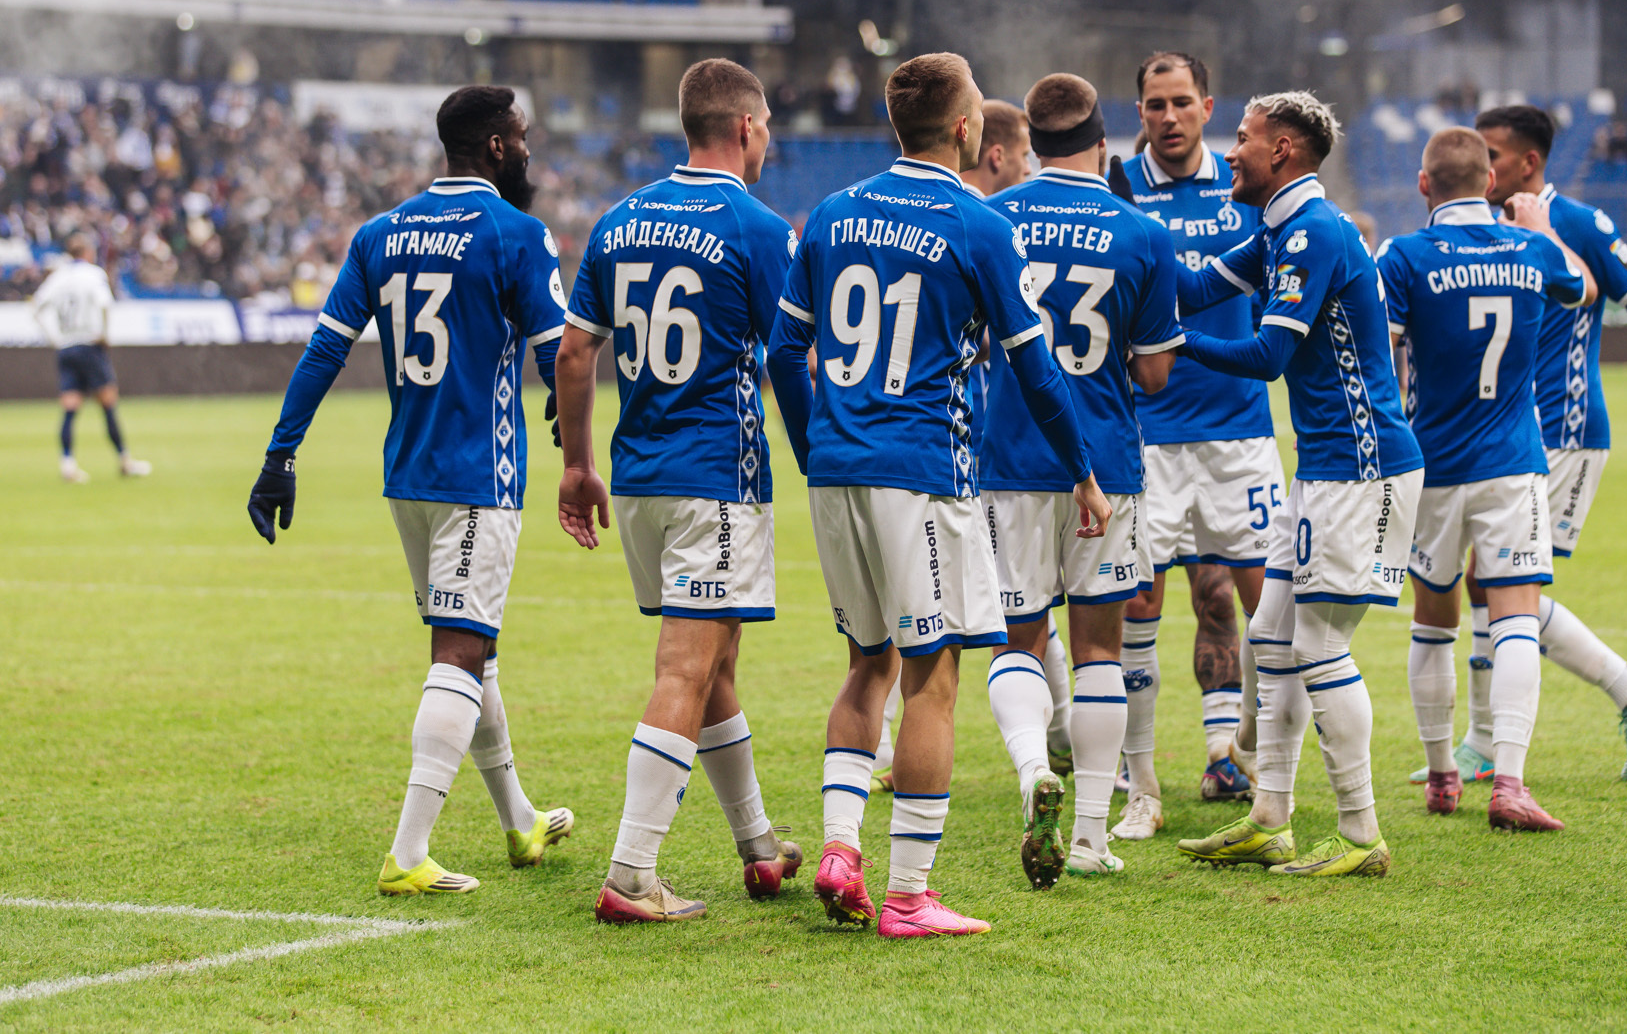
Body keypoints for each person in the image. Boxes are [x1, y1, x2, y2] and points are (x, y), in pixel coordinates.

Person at [767, 52, 1108, 937]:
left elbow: (780, 354)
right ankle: (910, 896)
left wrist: (817, 451)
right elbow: (1036, 368)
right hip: (923, 475)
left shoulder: (832, 213)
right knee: (934, 680)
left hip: (838, 471)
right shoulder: (978, 223)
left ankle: (842, 847)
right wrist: (1082, 469)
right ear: (968, 131)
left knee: (866, 664)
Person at [244, 86, 574, 896]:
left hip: (408, 478)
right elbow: (556, 352)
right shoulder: (515, 233)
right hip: (478, 478)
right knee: (459, 653)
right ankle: (408, 850)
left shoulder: (378, 234)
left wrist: (280, 455)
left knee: (474, 646)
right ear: (495, 147)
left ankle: (519, 819)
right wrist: (573, 423)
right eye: (521, 138)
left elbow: (324, 350)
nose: (529, 151)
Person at [555, 59, 804, 924]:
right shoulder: (759, 227)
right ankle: (631, 872)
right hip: (716, 482)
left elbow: (574, 353)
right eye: (766, 124)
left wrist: (577, 464)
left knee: (716, 663)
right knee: (685, 665)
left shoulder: (618, 221)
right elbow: (788, 355)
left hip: (639, 480)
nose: (768, 138)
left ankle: (759, 846)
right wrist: (815, 449)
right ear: (742, 127)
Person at [1431, 103, 1627, 784]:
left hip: (1565, 429)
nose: (1484, 168)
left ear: (1528, 163)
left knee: (1497, 579)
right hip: (1507, 433)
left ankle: (1621, 699)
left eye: (1494, 155)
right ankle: (1502, 738)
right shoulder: (1482, 224)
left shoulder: (1578, 224)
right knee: (1488, 580)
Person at [1170, 91, 1422, 879]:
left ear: (1281, 149)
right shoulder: (1276, 226)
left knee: (1318, 644)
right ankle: (1269, 817)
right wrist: (1125, 244)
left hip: (1363, 463)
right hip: (1324, 465)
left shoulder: (1311, 231)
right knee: (1272, 638)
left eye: (1240, 138)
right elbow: (1191, 285)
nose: (1228, 151)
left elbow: (1269, 354)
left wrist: (1175, 347)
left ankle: (1360, 832)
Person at [979, 72, 1181, 884]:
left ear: (1030, 144)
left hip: (1009, 461)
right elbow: (1158, 374)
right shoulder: (1141, 232)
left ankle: (1035, 772)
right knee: (1101, 648)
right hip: (1106, 461)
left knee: (1018, 637)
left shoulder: (988, 217)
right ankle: (1095, 835)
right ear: (1105, 144)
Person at [1377, 128, 1596, 832]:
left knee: (1433, 618)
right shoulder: (1532, 249)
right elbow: (1585, 286)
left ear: (1423, 184)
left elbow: (1383, 350)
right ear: (1491, 181)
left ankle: (1443, 771)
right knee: (1513, 619)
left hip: (1432, 464)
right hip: (1512, 462)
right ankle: (1510, 782)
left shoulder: (1404, 256)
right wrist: (1537, 224)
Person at [1109, 51, 1281, 843]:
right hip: (1146, 436)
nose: (1168, 116)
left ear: (1208, 106)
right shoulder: (1115, 187)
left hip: (1239, 433)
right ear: (1138, 110)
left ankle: (1240, 757)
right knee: (1136, 602)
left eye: (1181, 102)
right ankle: (1138, 780)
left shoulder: (1246, 185)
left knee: (1244, 600)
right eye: (1154, 105)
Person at [871, 97, 1058, 791]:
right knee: (955, 627)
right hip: (957, 454)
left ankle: (1053, 739)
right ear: (992, 150)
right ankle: (1037, 757)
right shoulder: (980, 226)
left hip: (890, 451)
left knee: (953, 614)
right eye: (1025, 158)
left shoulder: (877, 214)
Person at [31, 233, 152, 482]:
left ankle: (67, 464)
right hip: (89, 344)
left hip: (66, 347)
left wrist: (55, 339)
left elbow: (36, 307)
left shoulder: (58, 277)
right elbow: (105, 304)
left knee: (70, 408)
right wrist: (104, 335)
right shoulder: (94, 274)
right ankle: (124, 461)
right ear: (87, 252)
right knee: (108, 403)